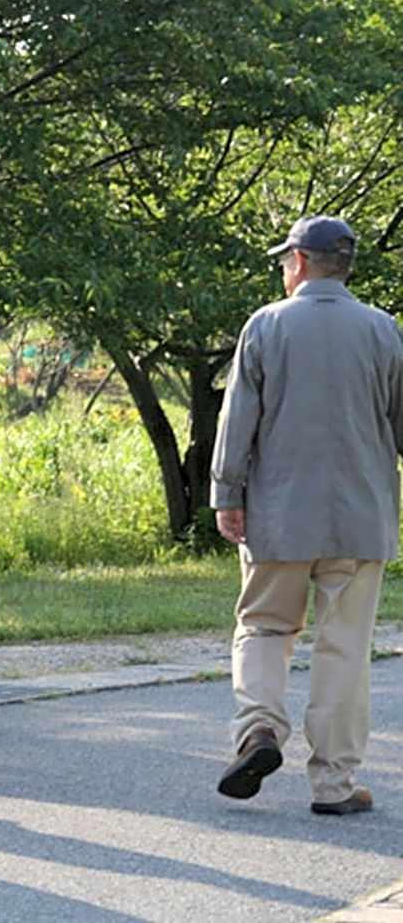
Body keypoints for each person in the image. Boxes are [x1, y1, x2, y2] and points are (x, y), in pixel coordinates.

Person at [211, 215, 403, 815]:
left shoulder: (266, 324)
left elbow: (237, 417)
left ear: (298, 261)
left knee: (265, 627)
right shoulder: (383, 329)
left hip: (279, 514)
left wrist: (227, 494)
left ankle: (261, 730)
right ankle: (334, 784)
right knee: (344, 647)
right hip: (360, 517)